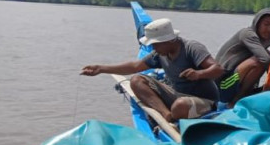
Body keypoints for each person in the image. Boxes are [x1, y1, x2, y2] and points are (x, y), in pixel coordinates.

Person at [81, 18, 224, 122]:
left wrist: (199, 74)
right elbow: (135, 67)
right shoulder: (160, 53)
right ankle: (167, 115)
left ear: (168, 40)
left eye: (155, 45)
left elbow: (218, 69)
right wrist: (101, 69)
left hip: (203, 100)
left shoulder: (191, 48)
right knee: (137, 80)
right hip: (177, 94)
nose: (153, 48)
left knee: (180, 106)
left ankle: (173, 114)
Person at [215, 9, 270, 106]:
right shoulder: (247, 34)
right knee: (259, 60)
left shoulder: (261, 45)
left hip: (235, 84)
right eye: (266, 24)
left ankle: (244, 96)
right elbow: (265, 60)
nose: (269, 30)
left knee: (267, 55)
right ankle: (235, 102)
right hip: (222, 86)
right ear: (257, 23)